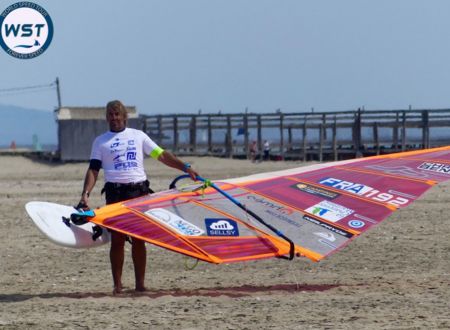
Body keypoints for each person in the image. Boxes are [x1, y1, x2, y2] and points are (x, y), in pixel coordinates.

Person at [78, 100, 199, 294]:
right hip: (115, 192)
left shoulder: (138, 136)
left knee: (139, 239)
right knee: (117, 239)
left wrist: (185, 167)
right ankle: (117, 286)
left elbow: (162, 155)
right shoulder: (101, 141)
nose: (114, 118)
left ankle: (140, 285)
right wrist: (85, 194)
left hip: (139, 192)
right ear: (106, 117)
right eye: (110, 114)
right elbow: (93, 169)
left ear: (125, 116)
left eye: (117, 114)